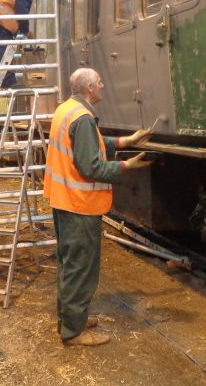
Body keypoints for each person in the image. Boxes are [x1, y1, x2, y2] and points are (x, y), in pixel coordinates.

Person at [44, 67, 153, 347]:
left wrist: (124, 141)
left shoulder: (66, 109)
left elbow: (89, 145)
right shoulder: (82, 117)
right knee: (81, 268)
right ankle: (74, 332)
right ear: (90, 88)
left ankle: (71, 319)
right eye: (100, 83)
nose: (103, 86)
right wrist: (127, 165)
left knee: (70, 265)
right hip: (79, 205)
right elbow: (90, 165)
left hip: (64, 200)